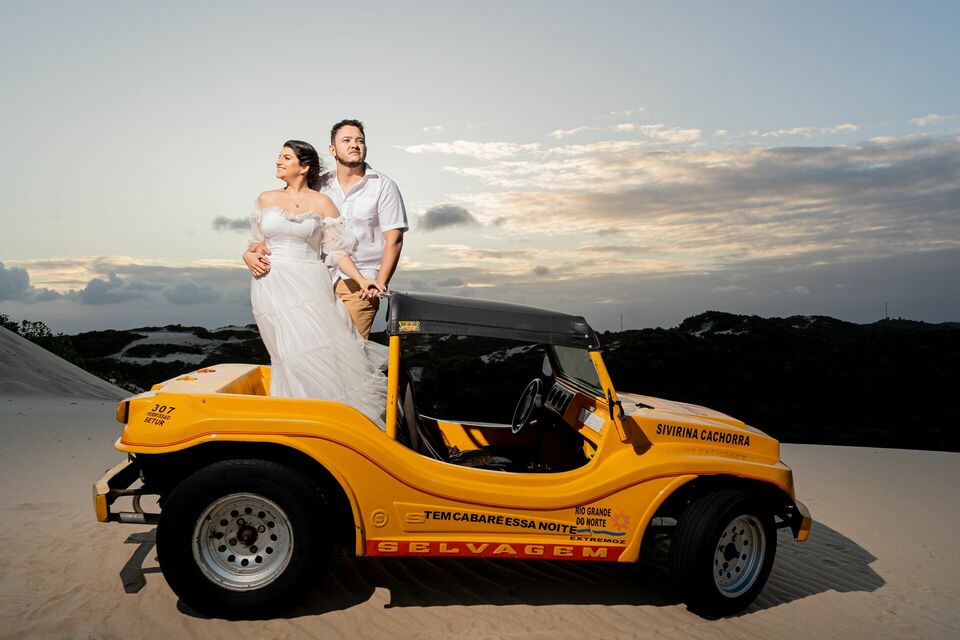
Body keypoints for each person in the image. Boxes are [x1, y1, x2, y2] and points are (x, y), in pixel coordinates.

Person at [247, 140, 388, 427]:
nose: (278, 161)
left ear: (304, 166)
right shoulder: (265, 199)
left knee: (316, 351)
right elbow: (256, 245)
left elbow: (337, 252)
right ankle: (290, 419)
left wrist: (361, 279)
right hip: (271, 284)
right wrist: (247, 255)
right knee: (286, 354)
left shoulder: (323, 203)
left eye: (286, 157)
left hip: (309, 283)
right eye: (279, 156)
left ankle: (327, 421)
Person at [244, 119, 407, 338]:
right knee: (314, 347)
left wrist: (379, 283)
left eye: (360, 140)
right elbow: (284, 230)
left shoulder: (383, 186)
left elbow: (394, 240)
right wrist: (248, 254)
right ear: (332, 149)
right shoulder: (319, 185)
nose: (354, 145)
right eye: (346, 140)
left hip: (360, 284)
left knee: (352, 347)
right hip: (317, 280)